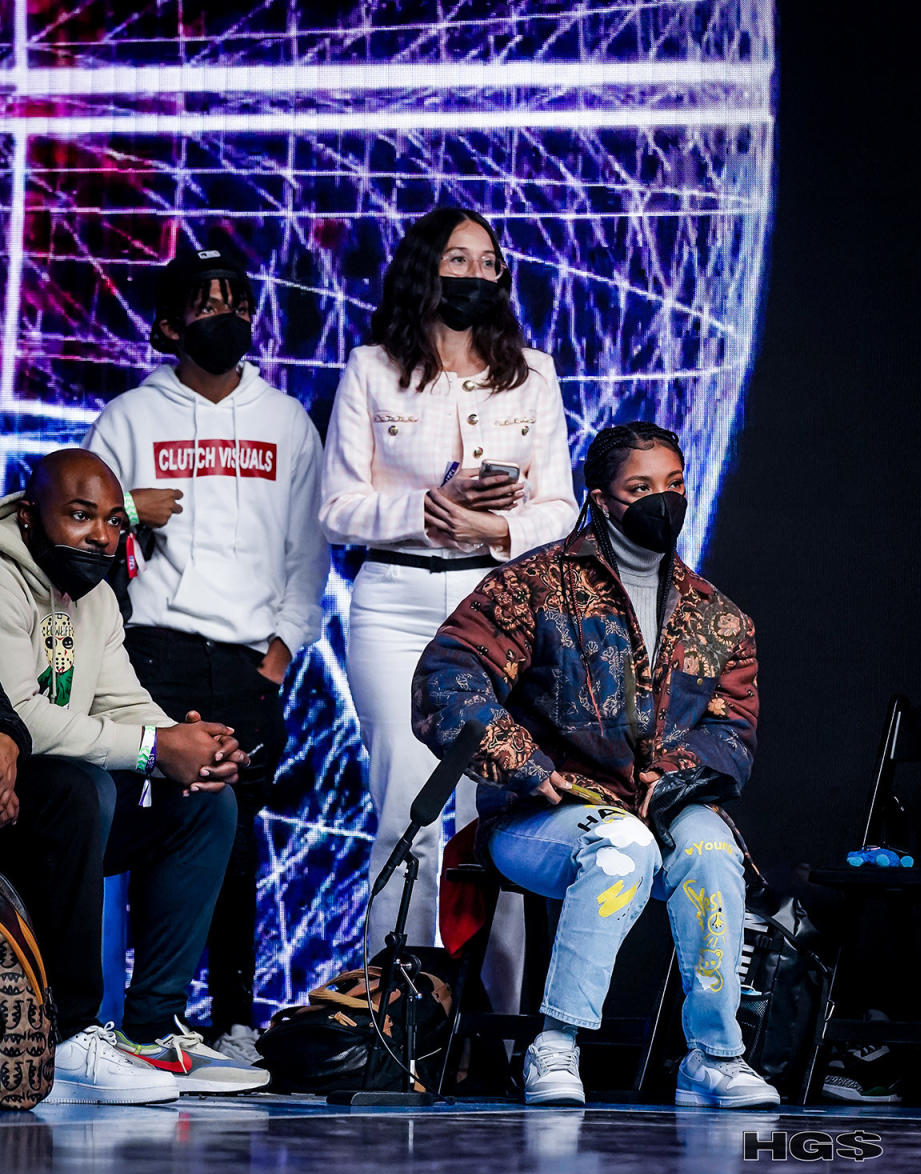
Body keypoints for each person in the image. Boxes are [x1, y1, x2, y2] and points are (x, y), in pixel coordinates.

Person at [412, 421, 780, 1108]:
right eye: (640, 487)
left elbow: (734, 729)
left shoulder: (718, 617)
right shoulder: (535, 585)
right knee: (621, 848)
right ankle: (555, 1045)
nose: (660, 501)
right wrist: (521, 761)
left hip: (661, 806)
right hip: (542, 816)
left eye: (673, 485)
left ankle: (715, 1057)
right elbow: (448, 674)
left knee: (712, 850)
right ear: (602, 498)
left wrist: (670, 774)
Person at [319, 206, 578, 1000]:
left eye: (486, 261)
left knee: (484, 810)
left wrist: (493, 524)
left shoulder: (532, 374)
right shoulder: (371, 369)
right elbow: (336, 508)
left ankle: (498, 1024)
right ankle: (393, 1007)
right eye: (455, 259)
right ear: (425, 268)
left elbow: (563, 509)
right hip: (393, 597)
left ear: (502, 277)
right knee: (406, 804)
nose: (471, 274)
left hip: (490, 605)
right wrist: (423, 511)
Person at [84, 243, 329, 1062]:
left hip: (248, 662)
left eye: (236, 299)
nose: (224, 314)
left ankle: (233, 1021)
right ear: (166, 325)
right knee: (150, 831)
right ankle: (146, 1019)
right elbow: (81, 531)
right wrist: (125, 509)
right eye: (204, 302)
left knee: (234, 835)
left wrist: (282, 652)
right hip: (152, 654)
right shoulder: (128, 418)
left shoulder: (285, 420)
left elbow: (309, 549)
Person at [0, 448, 271, 1103]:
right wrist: (155, 747)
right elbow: (21, 718)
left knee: (203, 803)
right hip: (17, 803)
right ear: (32, 517)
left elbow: (120, 701)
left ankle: (152, 1030)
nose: (101, 535)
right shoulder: (3, 578)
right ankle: (64, 1039)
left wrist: (190, 747)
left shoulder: (93, 596)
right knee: (80, 786)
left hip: (65, 813)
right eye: (80, 515)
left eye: (114, 522)